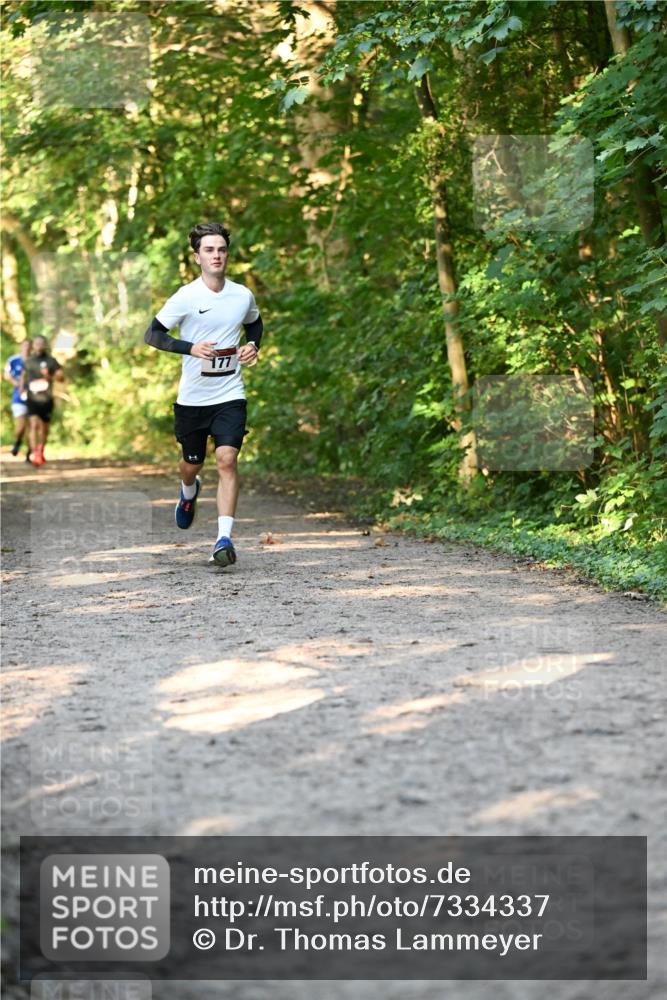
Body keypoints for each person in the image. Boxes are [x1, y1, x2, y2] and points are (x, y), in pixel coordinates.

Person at [144, 222, 263, 567]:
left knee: (227, 460)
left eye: (221, 249)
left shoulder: (242, 295)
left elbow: (254, 323)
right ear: (197, 257)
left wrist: (253, 344)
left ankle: (223, 539)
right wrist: (190, 348)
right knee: (191, 465)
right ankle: (187, 491)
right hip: (193, 399)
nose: (217, 255)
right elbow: (153, 334)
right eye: (209, 250)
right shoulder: (186, 296)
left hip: (230, 394)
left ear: (227, 254)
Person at [20, 336, 64, 466]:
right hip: (32, 398)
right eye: (36, 343)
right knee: (33, 425)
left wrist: (49, 375)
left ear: (44, 345)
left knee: (44, 429)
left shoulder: (51, 361)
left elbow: (61, 378)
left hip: (46, 399)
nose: (39, 345)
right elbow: (23, 376)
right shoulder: (28, 361)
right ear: (33, 345)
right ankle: (35, 453)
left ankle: (41, 450)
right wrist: (21, 389)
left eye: (41, 343)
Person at [4, 338, 31, 460]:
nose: (27, 348)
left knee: (33, 426)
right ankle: (18, 441)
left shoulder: (34, 360)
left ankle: (30, 453)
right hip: (18, 397)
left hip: (34, 397)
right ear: (21, 346)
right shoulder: (13, 360)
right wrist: (16, 383)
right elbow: (6, 375)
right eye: (24, 345)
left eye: (29, 346)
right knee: (21, 427)